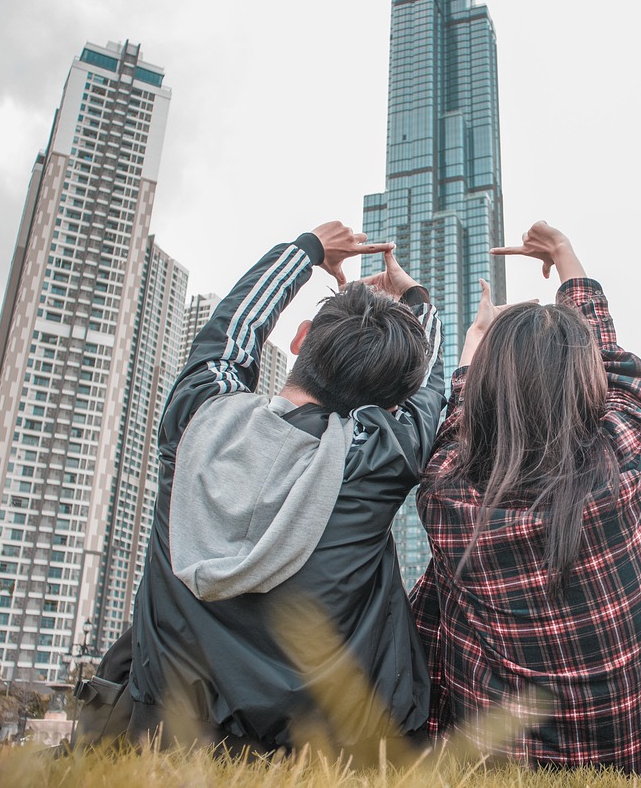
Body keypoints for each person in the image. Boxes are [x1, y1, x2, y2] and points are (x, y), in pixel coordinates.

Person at [127, 222, 445, 752]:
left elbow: (231, 332)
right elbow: (432, 381)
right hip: (335, 749)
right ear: (390, 402)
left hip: (169, 740)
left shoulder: (196, 421)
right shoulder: (380, 457)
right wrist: (416, 301)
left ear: (301, 342)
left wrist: (308, 251)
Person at [410, 221, 641, 776]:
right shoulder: (630, 452)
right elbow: (615, 363)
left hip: (507, 766)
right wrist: (566, 259)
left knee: (436, 595)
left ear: (486, 393)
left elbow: (456, 424)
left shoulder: (447, 498)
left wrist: (475, 349)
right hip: (638, 763)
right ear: (586, 380)